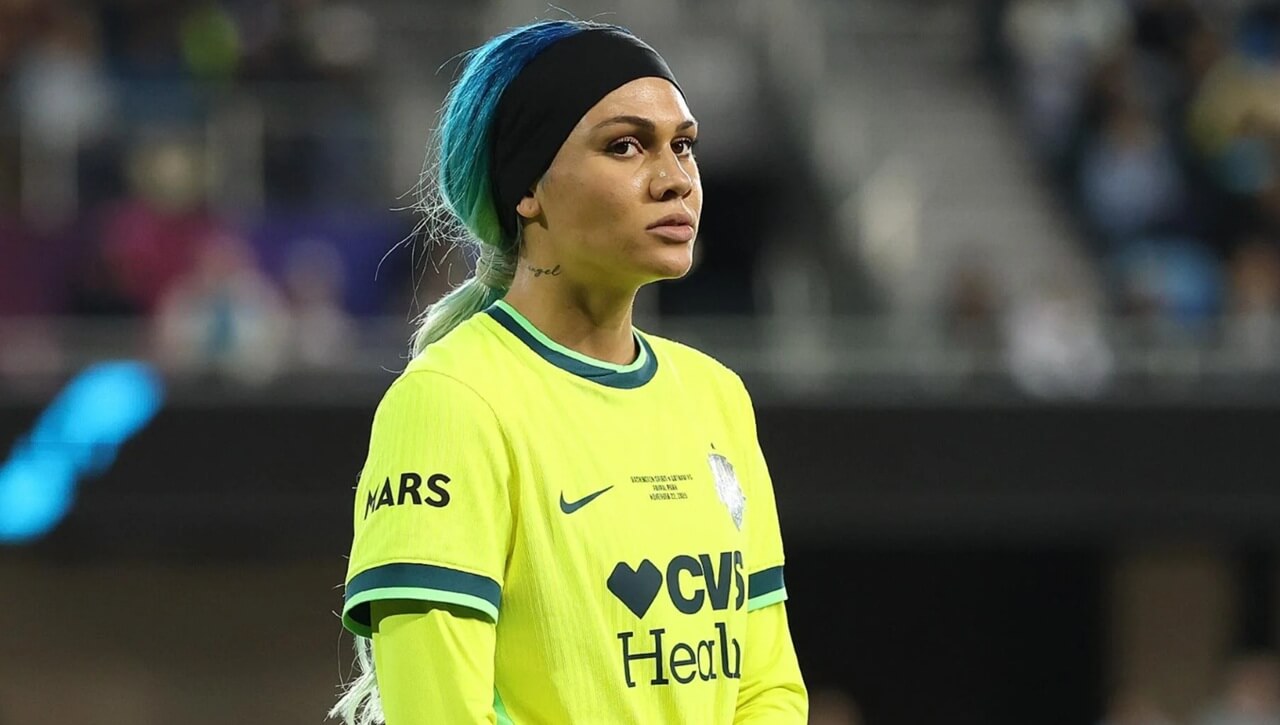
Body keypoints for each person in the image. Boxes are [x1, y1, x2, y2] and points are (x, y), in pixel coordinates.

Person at [330, 19, 807, 724]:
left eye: (683, 146)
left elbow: (767, 688)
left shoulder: (716, 396)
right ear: (528, 187)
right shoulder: (451, 400)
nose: (676, 180)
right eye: (625, 146)